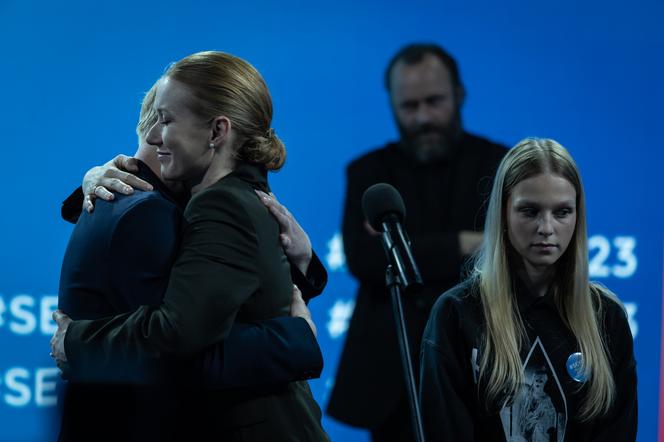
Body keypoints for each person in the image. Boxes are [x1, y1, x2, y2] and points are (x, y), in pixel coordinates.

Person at [51, 51, 328, 441]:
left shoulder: (218, 202)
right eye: (155, 121)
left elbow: (180, 341)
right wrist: (294, 337)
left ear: (217, 132)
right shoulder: (178, 203)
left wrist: (77, 342)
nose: (154, 137)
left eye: (167, 121)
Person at [327, 43, 507, 440]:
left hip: (480, 366)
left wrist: (414, 247)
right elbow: (363, 259)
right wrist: (463, 242)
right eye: (409, 106)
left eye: (434, 101)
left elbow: (507, 253)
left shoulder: (500, 165)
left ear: (459, 95)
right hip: (390, 379)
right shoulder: (368, 172)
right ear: (391, 104)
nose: (423, 117)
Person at [419, 138, 637, 441]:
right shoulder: (457, 314)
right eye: (530, 211)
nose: (546, 228)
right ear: (503, 214)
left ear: (578, 216)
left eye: (562, 212)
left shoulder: (606, 317)